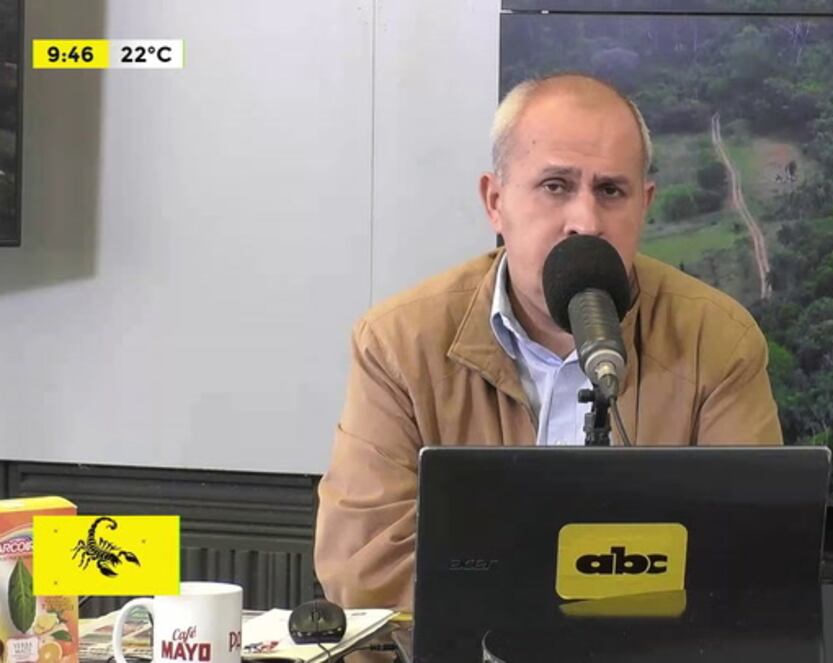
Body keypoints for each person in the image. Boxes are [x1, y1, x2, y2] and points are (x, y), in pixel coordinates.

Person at [313, 73, 783, 612]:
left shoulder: (718, 341)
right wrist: (549, 624)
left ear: (644, 205)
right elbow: (366, 567)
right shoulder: (397, 343)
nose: (585, 221)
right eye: (556, 186)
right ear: (495, 201)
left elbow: (750, 557)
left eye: (611, 191)